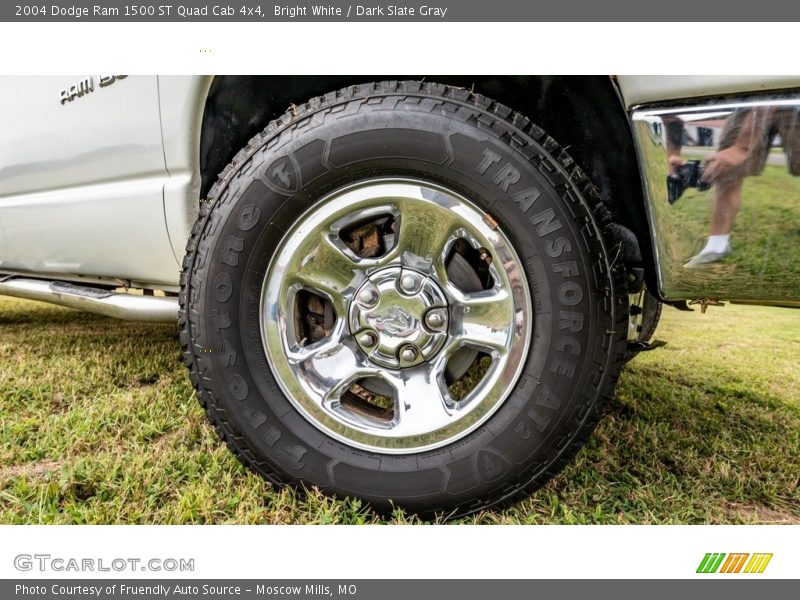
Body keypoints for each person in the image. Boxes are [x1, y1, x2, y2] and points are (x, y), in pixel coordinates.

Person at [681, 107, 800, 267]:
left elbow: (768, 92)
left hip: (791, 96)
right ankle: (717, 246)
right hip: (746, 102)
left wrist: (742, 147)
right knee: (725, 169)